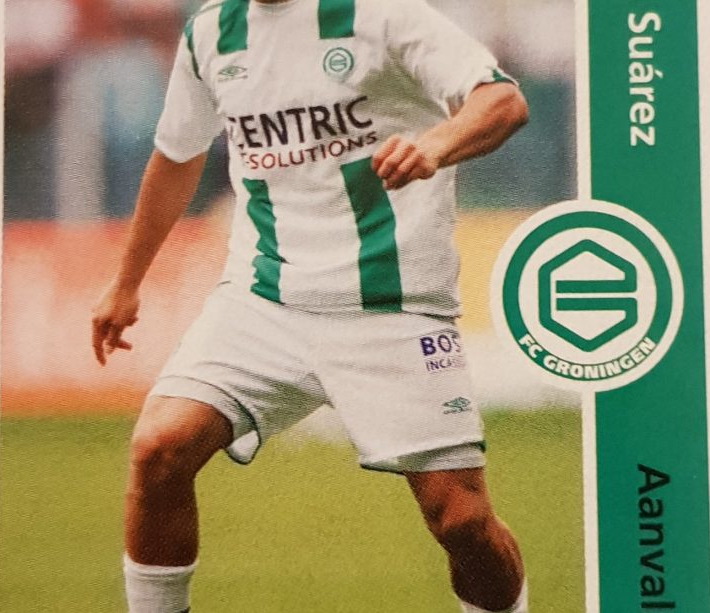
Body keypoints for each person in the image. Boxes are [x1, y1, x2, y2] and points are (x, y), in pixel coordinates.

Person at [91, 0, 530, 611]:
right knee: (159, 447)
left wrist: (434, 145)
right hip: (263, 301)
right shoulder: (211, 34)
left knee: (461, 521)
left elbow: (502, 101)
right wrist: (126, 282)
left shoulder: (384, 15)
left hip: (393, 307)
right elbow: (177, 157)